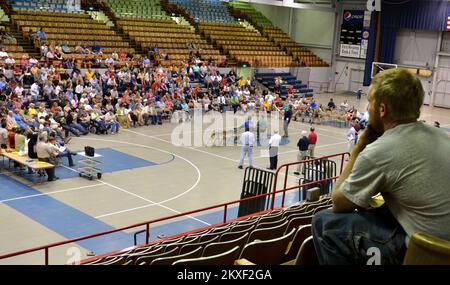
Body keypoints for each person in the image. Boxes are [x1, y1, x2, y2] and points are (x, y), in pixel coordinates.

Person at [312, 68, 450, 265]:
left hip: (430, 252)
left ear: (382, 109)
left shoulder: (381, 150)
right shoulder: (439, 135)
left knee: (325, 223)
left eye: (369, 101)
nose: (367, 108)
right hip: (445, 245)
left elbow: (338, 203)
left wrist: (358, 148)